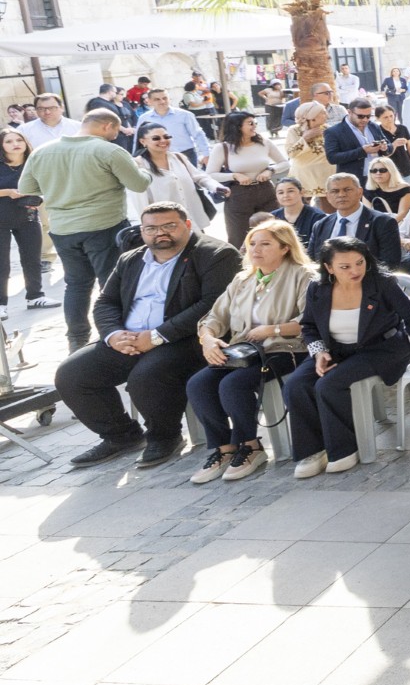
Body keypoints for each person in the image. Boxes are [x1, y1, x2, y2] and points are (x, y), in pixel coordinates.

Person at [55, 201, 243, 468]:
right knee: (72, 374)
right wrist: (113, 335)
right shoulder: (130, 259)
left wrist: (156, 336)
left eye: (169, 226)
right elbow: (106, 302)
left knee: (146, 376)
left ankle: (164, 437)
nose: (160, 233)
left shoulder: (215, 254)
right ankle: (121, 436)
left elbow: (211, 305)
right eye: (151, 228)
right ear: (142, 231)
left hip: (185, 339)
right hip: (128, 339)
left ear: (187, 225)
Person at [285, 236, 410, 476]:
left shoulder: (383, 283)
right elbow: (308, 326)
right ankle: (313, 451)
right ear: (329, 268)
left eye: (359, 263)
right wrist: (318, 353)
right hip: (336, 349)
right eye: (345, 267)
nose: (355, 270)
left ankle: (344, 450)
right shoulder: (318, 287)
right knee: (295, 385)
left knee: (329, 385)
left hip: (382, 348)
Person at [187, 219, 314, 483]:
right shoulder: (242, 279)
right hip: (245, 351)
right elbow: (214, 317)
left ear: (285, 247)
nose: (256, 250)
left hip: (286, 350)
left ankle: (251, 446)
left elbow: (310, 321)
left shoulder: (304, 275)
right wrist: (208, 340)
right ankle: (223, 448)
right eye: (252, 244)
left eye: (265, 244)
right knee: (198, 384)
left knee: (232, 385)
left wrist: (272, 330)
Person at [22, 109, 153, 351]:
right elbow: (138, 183)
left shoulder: (43, 151)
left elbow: (27, 187)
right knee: (111, 284)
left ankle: (77, 340)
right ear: (106, 126)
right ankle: (116, 335)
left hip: (63, 229)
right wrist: (142, 170)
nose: (115, 136)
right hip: (104, 225)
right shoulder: (108, 150)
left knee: (76, 284)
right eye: (115, 131)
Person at [206, 111, 287, 244]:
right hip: (238, 194)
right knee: (239, 237)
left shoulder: (264, 143)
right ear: (237, 126)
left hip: (266, 190)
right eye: (250, 123)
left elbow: (284, 163)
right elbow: (210, 175)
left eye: (255, 122)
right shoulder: (223, 148)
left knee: (274, 233)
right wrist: (234, 176)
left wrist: (270, 170)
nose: (255, 126)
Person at [0, 130, 51, 310]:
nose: (16, 143)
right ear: (2, 146)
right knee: (2, 264)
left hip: (27, 216)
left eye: (19, 139)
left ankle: (35, 296)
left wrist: (40, 197)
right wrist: (8, 192)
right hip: (1, 218)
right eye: (9, 141)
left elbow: (46, 184)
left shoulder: (33, 162)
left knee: (32, 259)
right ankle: (1, 304)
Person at [308, 173, 405, 267]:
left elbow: (389, 264)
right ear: (328, 196)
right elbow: (312, 263)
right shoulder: (320, 225)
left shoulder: (383, 223)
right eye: (335, 191)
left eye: (347, 189)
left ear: (360, 192)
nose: (341, 194)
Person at [325, 94, 392, 188]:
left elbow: (389, 145)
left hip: (378, 177)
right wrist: (362, 151)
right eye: (360, 116)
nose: (365, 119)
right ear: (349, 112)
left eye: (368, 116)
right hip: (353, 181)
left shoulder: (373, 126)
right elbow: (332, 158)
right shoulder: (334, 132)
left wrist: (385, 147)